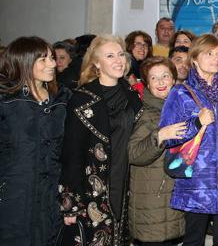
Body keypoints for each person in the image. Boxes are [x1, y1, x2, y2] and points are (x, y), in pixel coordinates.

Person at [160, 34, 218, 246]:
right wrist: (196, 122)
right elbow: (166, 136)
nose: (215, 59)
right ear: (194, 58)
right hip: (195, 183)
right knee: (194, 240)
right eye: (208, 54)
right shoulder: (180, 93)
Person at [58, 35, 143, 246]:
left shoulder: (132, 96)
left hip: (125, 183)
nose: (118, 60)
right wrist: (70, 204)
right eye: (110, 55)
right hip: (92, 189)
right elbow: (71, 155)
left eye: (121, 54)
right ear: (96, 63)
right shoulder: (82, 99)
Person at [0, 36, 72, 246]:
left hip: (51, 196)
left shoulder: (62, 99)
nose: (53, 64)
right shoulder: (6, 100)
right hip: (13, 195)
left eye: (52, 58)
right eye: (44, 60)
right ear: (24, 62)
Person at [128, 56, 186, 245]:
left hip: (173, 201)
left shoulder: (179, 109)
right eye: (154, 78)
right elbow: (133, 154)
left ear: (173, 79)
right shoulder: (146, 113)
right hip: (151, 203)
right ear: (146, 83)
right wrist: (159, 136)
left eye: (165, 76)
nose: (161, 82)